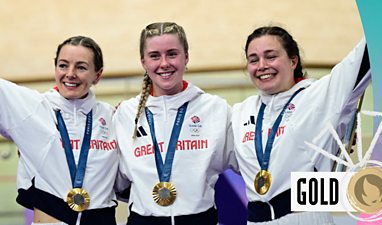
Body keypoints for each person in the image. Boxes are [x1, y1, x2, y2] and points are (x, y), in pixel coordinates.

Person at [231, 26, 370, 224]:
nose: (261, 65)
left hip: (306, 217)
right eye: (253, 60)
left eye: (270, 56)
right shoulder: (239, 112)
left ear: (293, 61)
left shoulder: (319, 96)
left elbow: (363, 56)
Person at [114, 22, 238, 225]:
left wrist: (302, 207)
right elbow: (116, 181)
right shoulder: (125, 114)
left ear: (186, 57)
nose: (164, 63)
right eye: (154, 56)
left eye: (172, 54)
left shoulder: (216, 109)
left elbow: (252, 163)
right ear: (143, 62)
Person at [0, 36, 119, 225]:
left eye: (81, 67)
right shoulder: (32, 108)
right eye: (63, 65)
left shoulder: (113, 117)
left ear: (97, 75)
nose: (70, 74)